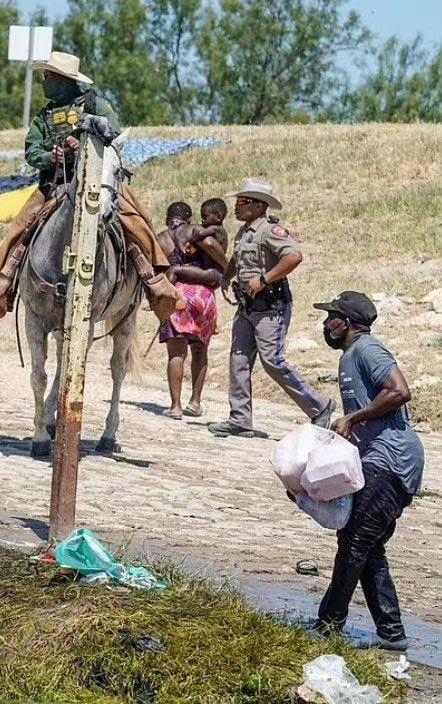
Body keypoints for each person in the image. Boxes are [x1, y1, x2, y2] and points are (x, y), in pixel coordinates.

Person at [0, 51, 179, 323]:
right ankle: (4, 280)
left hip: (99, 178)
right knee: (21, 225)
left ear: (63, 80)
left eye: (48, 76)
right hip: (55, 183)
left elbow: (115, 134)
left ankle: (154, 280)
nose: (44, 82)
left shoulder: (94, 102)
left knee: (136, 220)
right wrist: (52, 157)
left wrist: (84, 134)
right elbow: (32, 151)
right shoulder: (43, 116)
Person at [310, 291, 424, 651]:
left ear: (347, 323)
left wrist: (355, 418)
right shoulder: (350, 356)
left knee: (356, 541)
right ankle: (392, 633)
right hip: (375, 460)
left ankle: (328, 624)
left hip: (391, 461)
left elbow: (400, 391)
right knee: (367, 546)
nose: (326, 325)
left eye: (331, 317)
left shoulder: (367, 350)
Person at [207, 179, 335, 437]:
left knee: (272, 361)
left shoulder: (270, 231)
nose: (237, 207)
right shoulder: (245, 232)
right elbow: (237, 258)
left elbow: (294, 256)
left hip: (271, 307)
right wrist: (226, 277)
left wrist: (265, 279)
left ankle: (319, 406)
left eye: (242, 202)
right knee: (238, 361)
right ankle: (240, 419)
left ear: (257, 206)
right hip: (248, 306)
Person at [156, 200, 228, 418]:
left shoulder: (160, 238)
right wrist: (226, 268)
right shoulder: (195, 231)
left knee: (176, 352)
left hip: (175, 294)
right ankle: (195, 402)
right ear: (189, 218)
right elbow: (212, 246)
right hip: (203, 295)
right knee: (199, 349)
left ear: (168, 219)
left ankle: (175, 406)